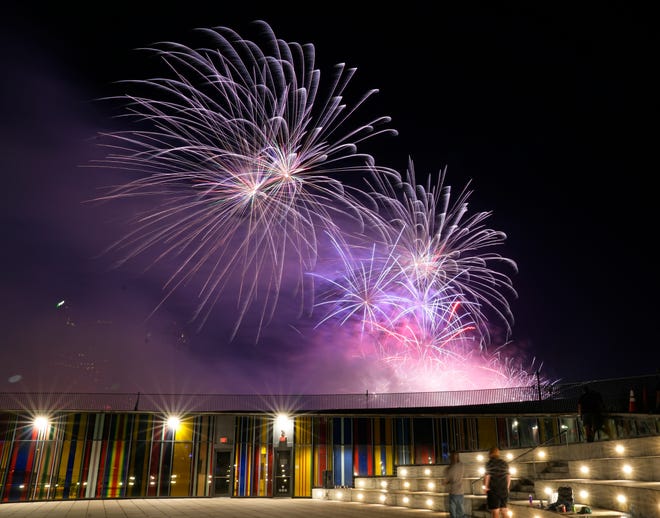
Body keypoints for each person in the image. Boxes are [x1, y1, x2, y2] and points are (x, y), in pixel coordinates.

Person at [483, 446, 510, 518]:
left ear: (490, 454)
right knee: (504, 510)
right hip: (503, 490)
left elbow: (487, 476)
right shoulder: (504, 463)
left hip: (493, 490)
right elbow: (508, 476)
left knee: (495, 511)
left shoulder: (489, 463)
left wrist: (485, 487)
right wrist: (507, 487)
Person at [444, 451, 464, 518]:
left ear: (450, 458)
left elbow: (445, 481)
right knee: (461, 511)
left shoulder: (449, 469)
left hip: (453, 491)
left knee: (453, 512)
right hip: (460, 491)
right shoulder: (461, 465)